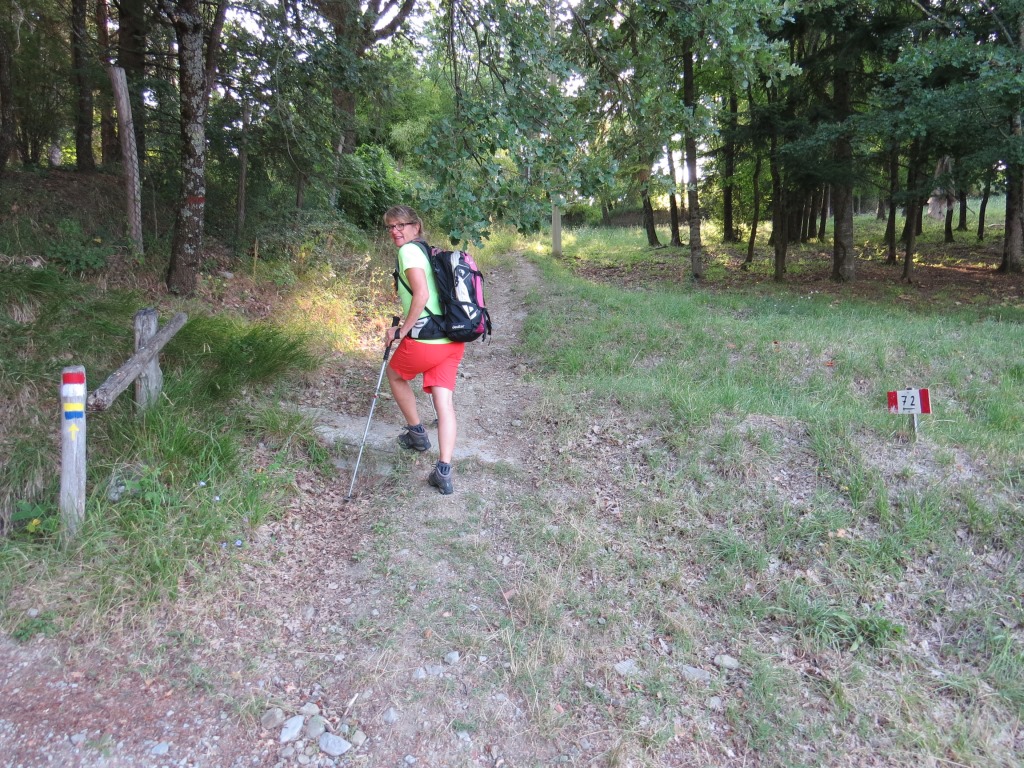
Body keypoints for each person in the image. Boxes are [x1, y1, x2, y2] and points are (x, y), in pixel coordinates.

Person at [382, 205, 465, 495]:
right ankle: (443, 471)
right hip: (452, 339)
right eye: (390, 227)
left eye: (401, 225)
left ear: (416, 226)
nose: (395, 231)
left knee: (395, 375)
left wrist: (401, 330)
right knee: (444, 404)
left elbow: (422, 294)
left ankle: (417, 433)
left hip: (427, 340)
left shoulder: (408, 252)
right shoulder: (428, 251)